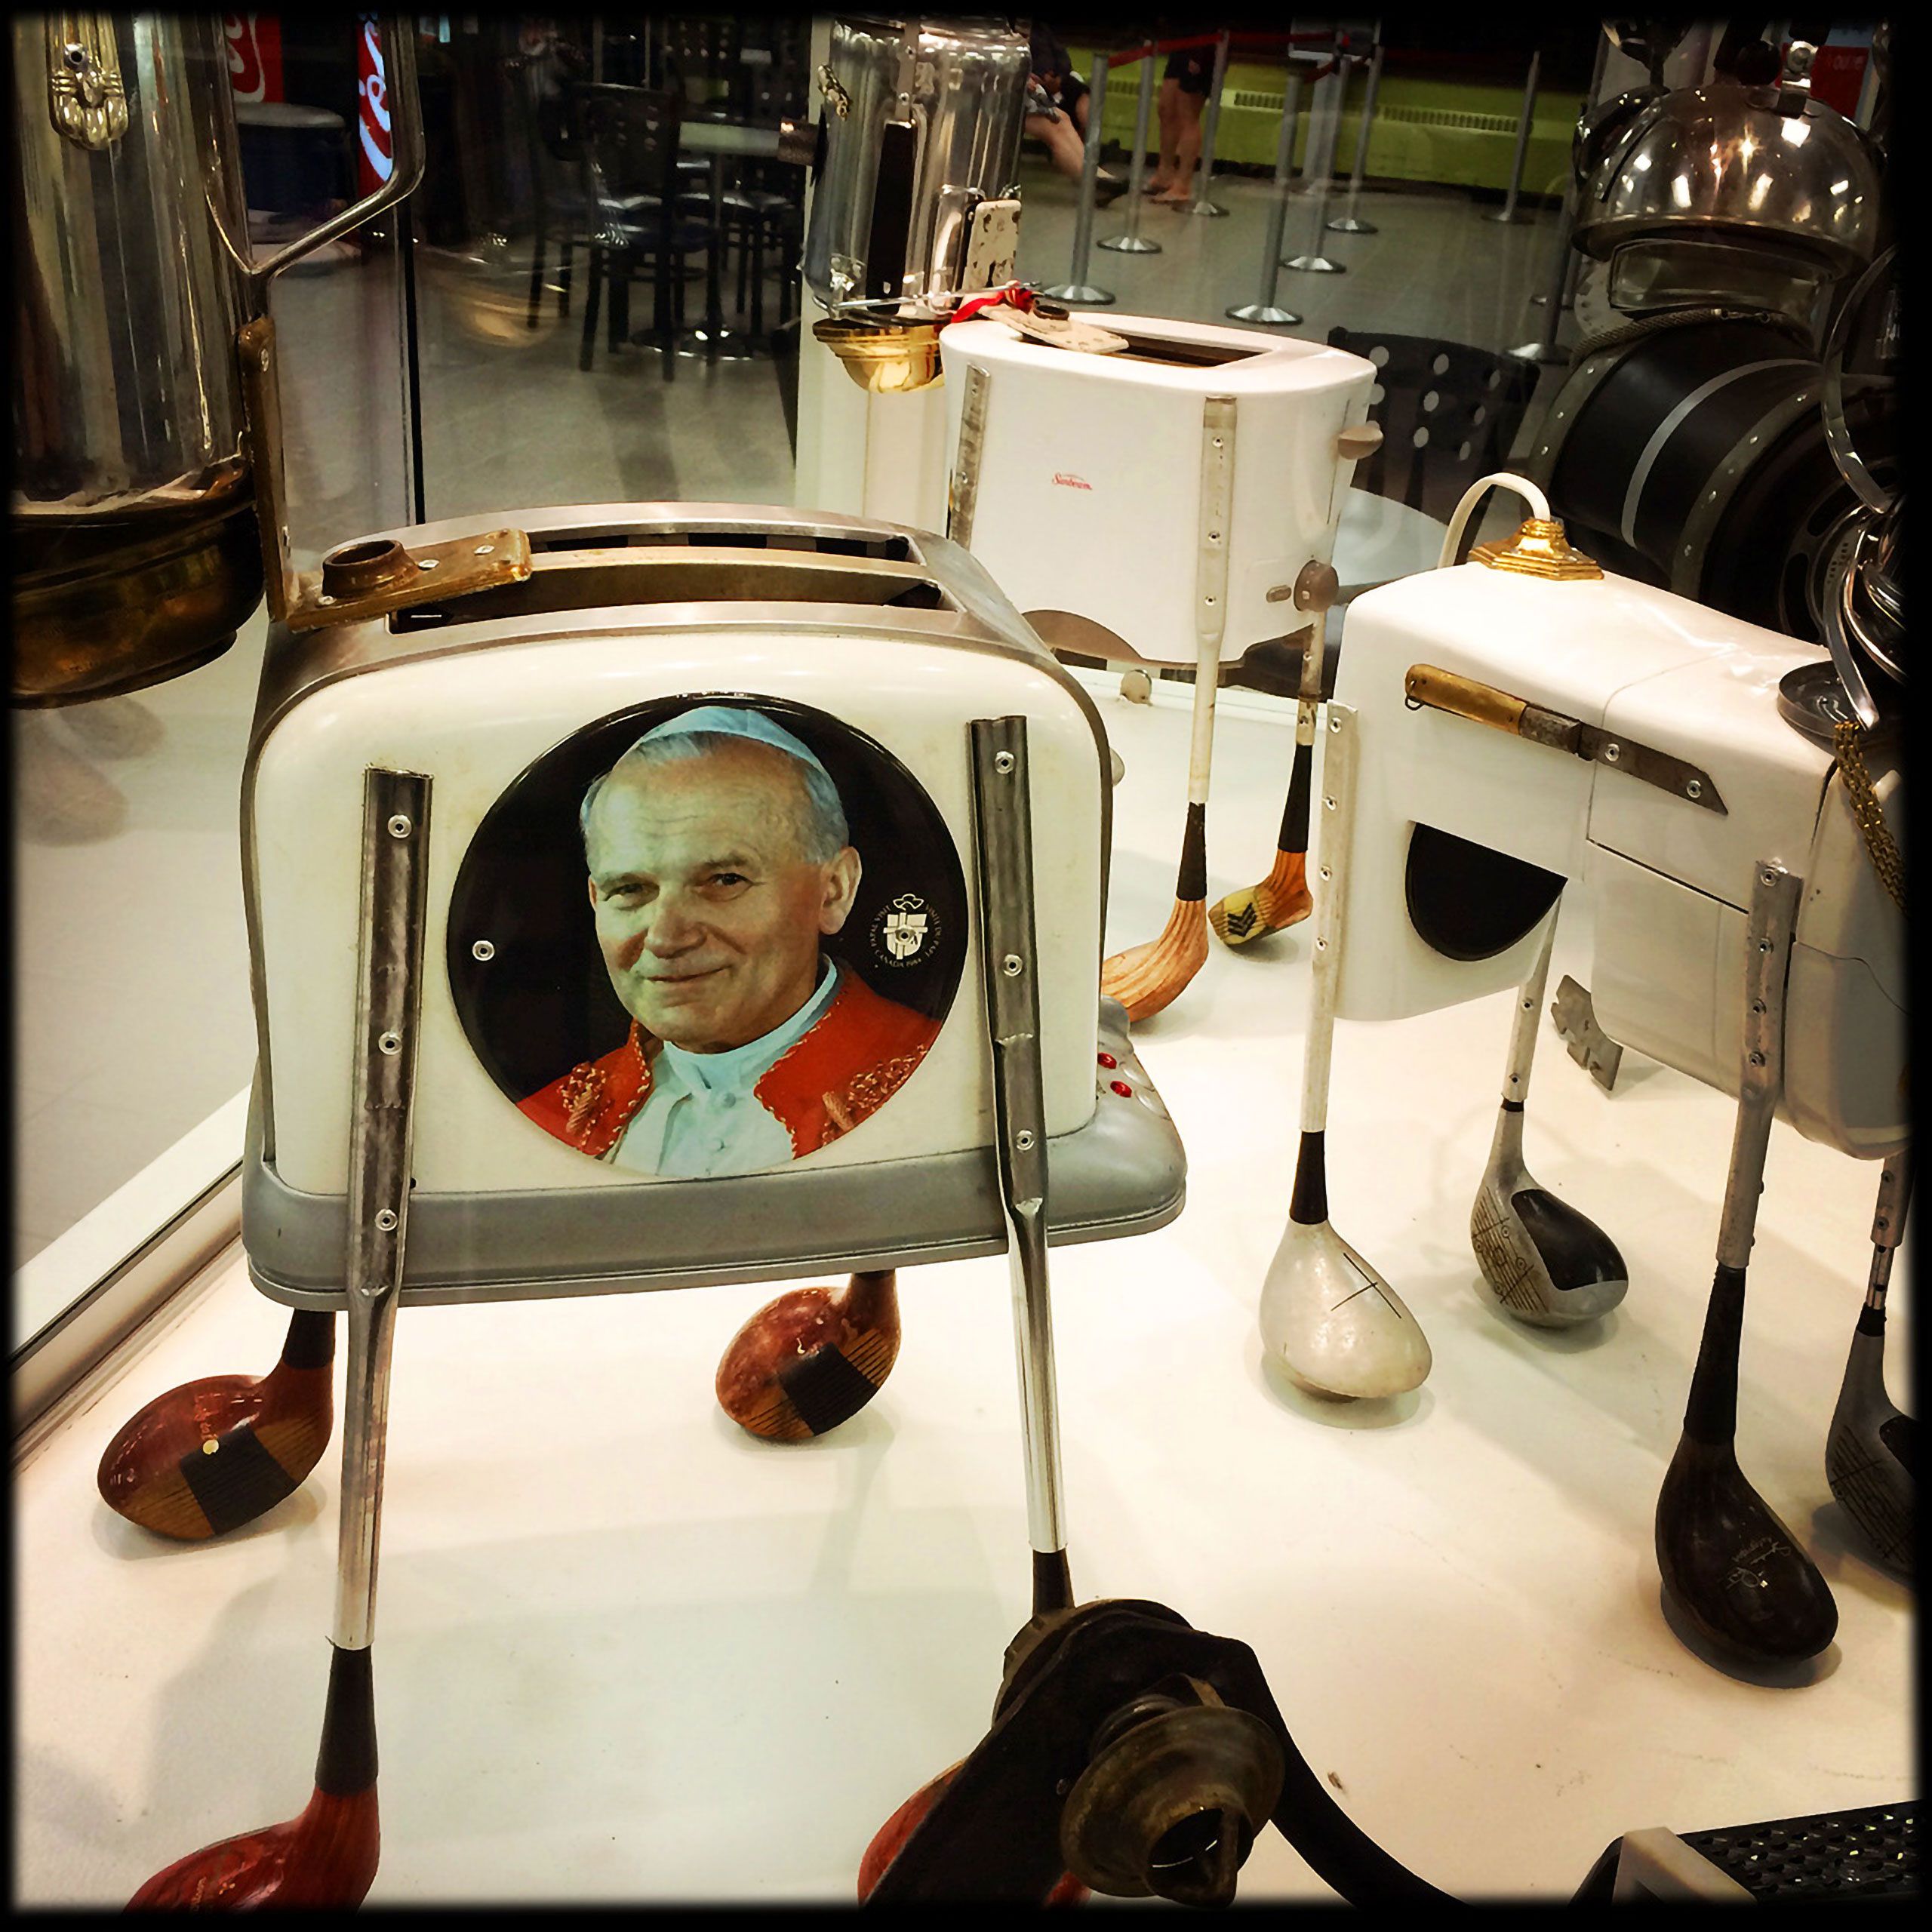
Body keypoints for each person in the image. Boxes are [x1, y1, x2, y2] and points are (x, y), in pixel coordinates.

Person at [520, 706, 940, 1177]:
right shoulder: (541, 1127)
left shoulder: (944, 1087)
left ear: (834, 890)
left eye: (724, 881)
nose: (666, 938)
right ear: (596, 900)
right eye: (630, 889)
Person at [1026, 24, 1128, 202]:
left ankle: (1094, 170)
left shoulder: (1039, 28)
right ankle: (1091, 183)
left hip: (1041, 84)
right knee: (1053, 123)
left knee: (1065, 115)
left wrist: (1058, 77)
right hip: (1010, 88)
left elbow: (1063, 57)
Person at [1146, 42, 1211, 204]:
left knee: (1188, 114)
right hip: (1182, 41)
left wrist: (1199, 56)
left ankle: (1183, 185)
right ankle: (1165, 173)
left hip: (1202, 45)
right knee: (1166, 107)